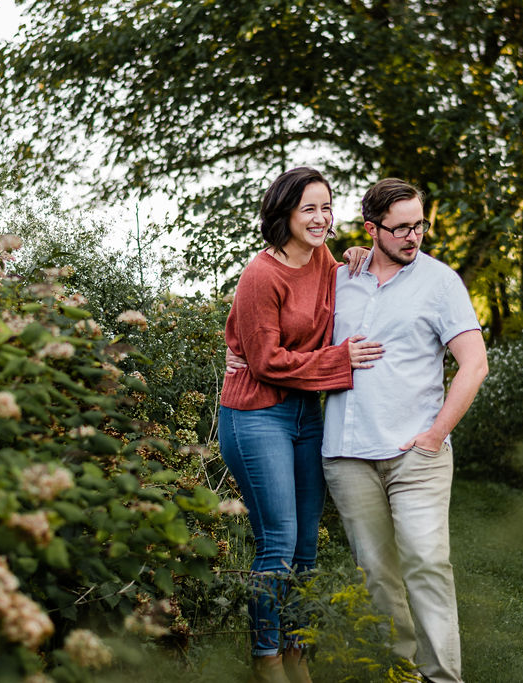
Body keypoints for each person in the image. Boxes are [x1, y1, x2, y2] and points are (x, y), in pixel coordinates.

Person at [231, 178, 488, 682]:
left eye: (420, 225)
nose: (413, 237)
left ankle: (441, 678)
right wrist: (251, 353)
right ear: (372, 229)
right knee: (368, 572)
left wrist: (435, 436)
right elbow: (274, 340)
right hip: (335, 447)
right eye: (400, 228)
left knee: (426, 565)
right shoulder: (327, 275)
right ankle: (389, 672)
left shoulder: (429, 280)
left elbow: (474, 365)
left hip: (410, 449)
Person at [219, 166, 383, 683]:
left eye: (326, 207)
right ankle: (266, 657)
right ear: (284, 213)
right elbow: (264, 362)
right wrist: (341, 361)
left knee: (307, 543)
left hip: (304, 413)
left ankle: (298, 649)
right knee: (279, 539)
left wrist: (358, 257)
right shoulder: (260, 275)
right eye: (308, 208)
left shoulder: (324, 261)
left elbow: (340, 290)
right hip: (255, 413)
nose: (319, 217)